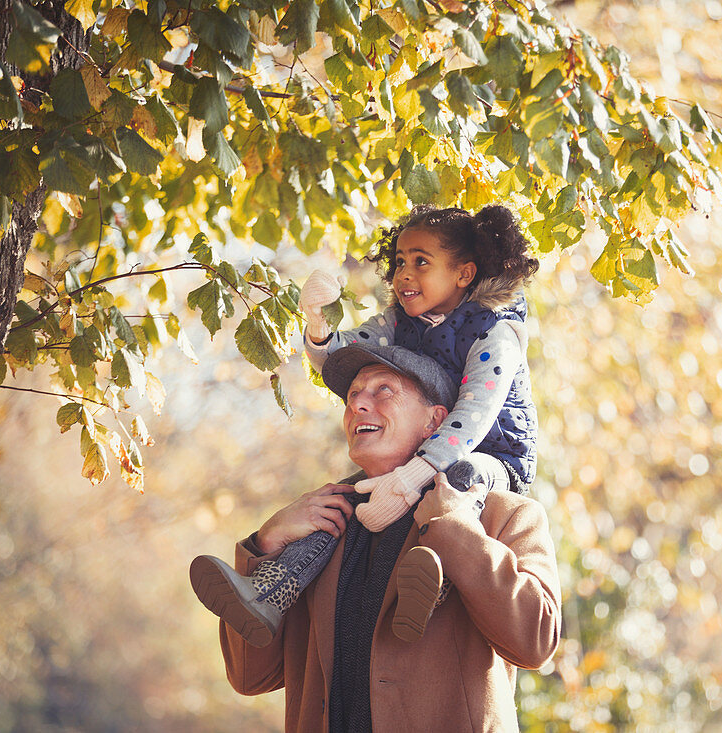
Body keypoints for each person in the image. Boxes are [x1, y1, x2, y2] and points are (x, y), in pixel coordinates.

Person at [194, 205, 541, 646]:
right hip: (431, 450)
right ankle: (266, 592)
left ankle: (432, 584)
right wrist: (318, 323)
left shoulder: (497, 332)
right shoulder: (402, 322)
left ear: (464, 273)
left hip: (493, 455)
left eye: (421, 262)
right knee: (337, 501)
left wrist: (414, 475)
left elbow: (475, 416)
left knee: (459, 480)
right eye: (399, 262)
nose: (404, 274)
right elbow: (342, 353)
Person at [193, 344, 561, 731]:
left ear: (436, 421)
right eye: (353, 395)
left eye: (383, 390)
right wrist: (266, 545)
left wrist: (455, 528)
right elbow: (250, 677)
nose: (358, 406)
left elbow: (536, 641)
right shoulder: (317, 528)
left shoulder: (502, 514)